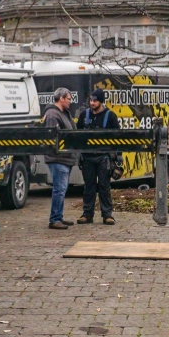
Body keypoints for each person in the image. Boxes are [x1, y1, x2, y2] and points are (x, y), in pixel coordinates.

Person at [76, 89, 121, 225]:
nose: (92, 103)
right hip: (87, 157)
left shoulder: (110, 116)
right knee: (88, 187)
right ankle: (87, 214)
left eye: (95, 100)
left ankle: (107, 215)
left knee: (104, 186)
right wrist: (79, 155)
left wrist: (118, 157)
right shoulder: (84, 115)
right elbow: (77, 135)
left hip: (104, 157)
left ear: (100, 101)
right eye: (91, 100)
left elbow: (118, 138)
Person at [42, 87, 78, 230]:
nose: (70, 101)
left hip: (66, 158)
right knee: (59, 189)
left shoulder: (64, 113)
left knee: (62, 188)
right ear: (61, 98)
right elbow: (53, 139)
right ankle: (55, 219)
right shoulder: (52, 115)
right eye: (69, 98)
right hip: (58, 158)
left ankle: (59, 216)